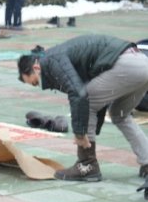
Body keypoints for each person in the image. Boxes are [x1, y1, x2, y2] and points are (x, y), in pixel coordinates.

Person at [17, 35, 148, 182]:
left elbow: (79, 94)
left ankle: (87, 165)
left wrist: (80, 134)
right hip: (142, 62)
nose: (42, 86)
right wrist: (88, 130)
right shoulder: (57, 56)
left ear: (36, 67)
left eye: (36, 82)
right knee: (120, 114)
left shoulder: (51, 60)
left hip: (126, 65)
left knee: (88, 100)